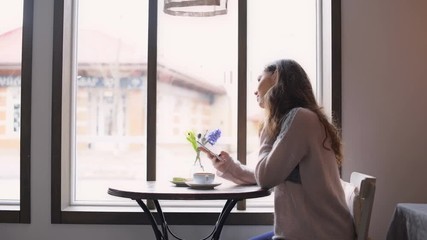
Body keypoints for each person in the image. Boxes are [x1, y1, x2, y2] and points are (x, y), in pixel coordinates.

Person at [199, 59, 355, 240]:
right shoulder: (300, 119)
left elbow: (266, 177)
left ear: (276, 77)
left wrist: (266, 130)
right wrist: (228, 166)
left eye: (259, 79)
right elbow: (271, 173)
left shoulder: (301, 118)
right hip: (318, 232)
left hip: (318, 235)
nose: (255, 89)